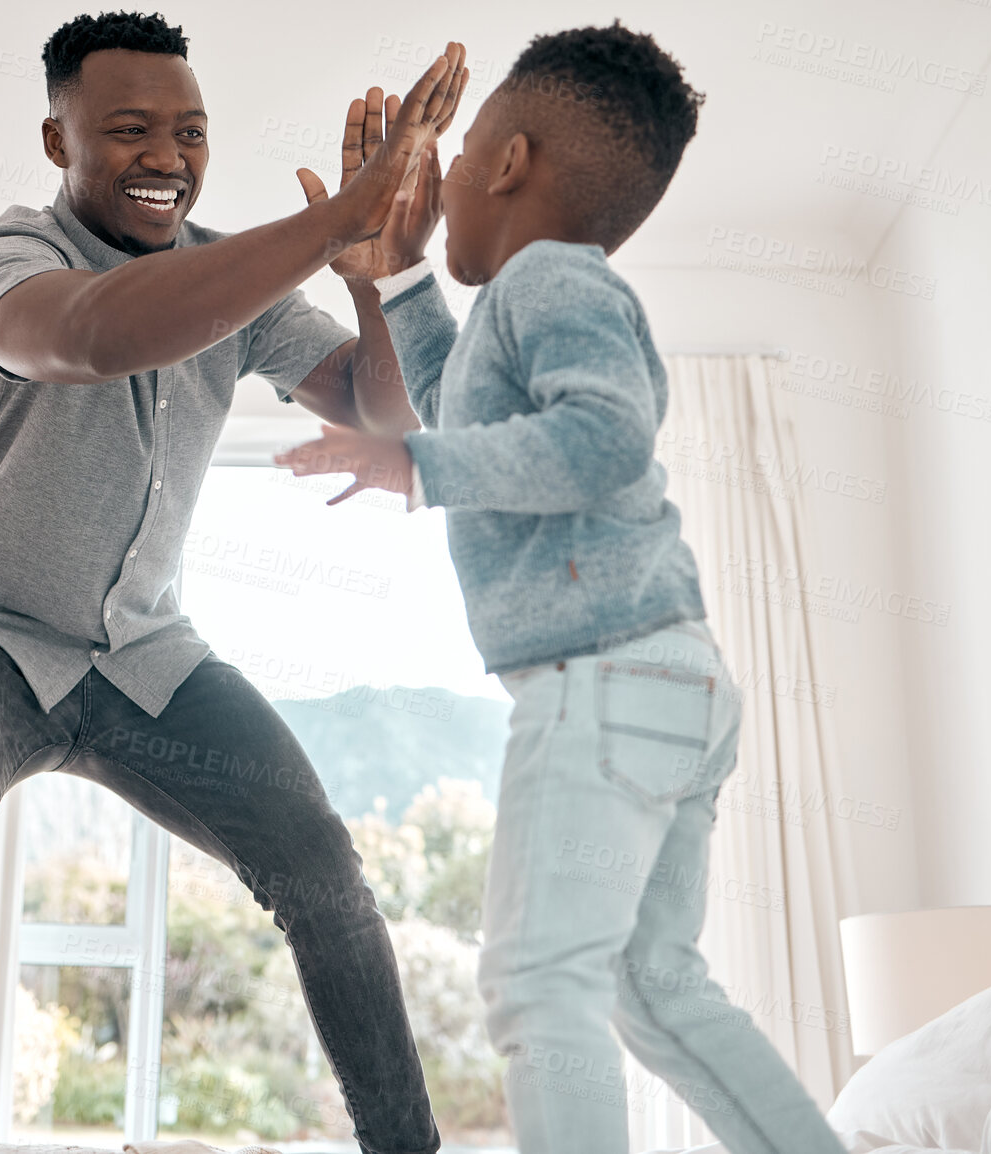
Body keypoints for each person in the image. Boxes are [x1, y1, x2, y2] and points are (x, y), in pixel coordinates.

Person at [0, 11, 469, 1152]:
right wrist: (327, 221)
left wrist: (376, 271)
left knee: (324, 870)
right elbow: (98, 336)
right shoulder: (1, 263)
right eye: (127, 128)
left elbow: (378, 405)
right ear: (58, 140)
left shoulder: (243, 280)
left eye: (191, 129)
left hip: (148, 659)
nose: (167, 154)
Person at [277, 22, 848, 1154]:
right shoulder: (536, 295)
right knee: (655, 986)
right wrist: (393, 274)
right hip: (671, 681)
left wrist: (415, 466)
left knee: (540, 982)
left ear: (505, 161)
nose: (435, 192)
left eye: (462, 152)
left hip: (605, 674)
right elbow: (465, 403)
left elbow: (602, 438)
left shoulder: (548, 279)